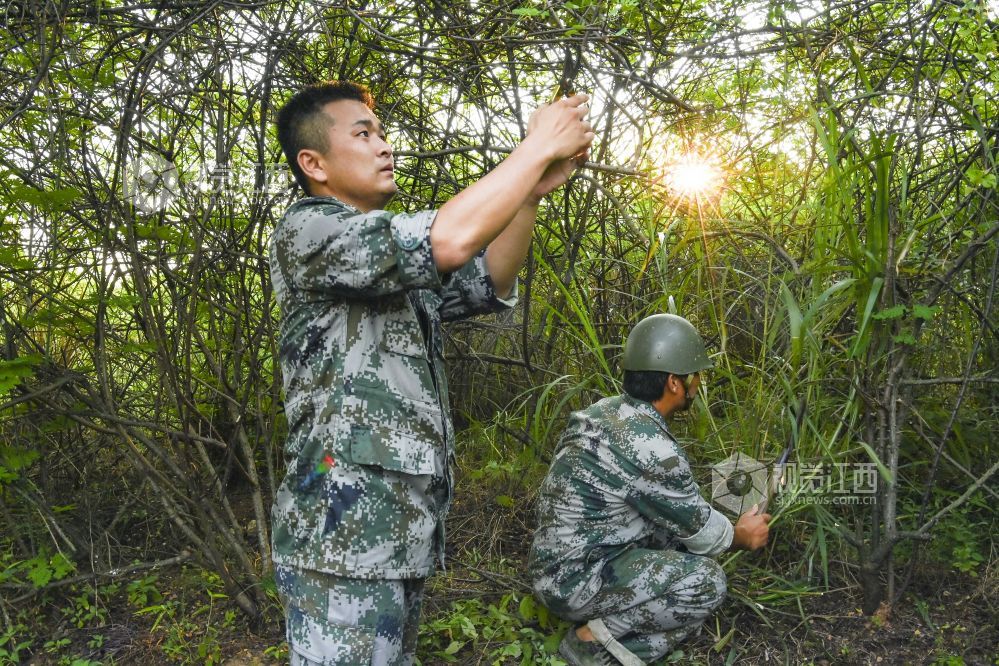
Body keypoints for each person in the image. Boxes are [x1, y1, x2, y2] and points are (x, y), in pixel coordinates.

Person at [268, 81, 594, 665]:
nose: (384, 145)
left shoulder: (388, 268)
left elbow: (488, 277)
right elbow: (449, 239)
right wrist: (534, 146)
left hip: (395, 536)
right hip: (337, 542)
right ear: (313, 163)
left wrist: (528, 196)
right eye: (363, 134)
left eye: (382, 131)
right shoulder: (309, 230)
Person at [528, 314, 771, 666]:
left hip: (554, 566)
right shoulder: (654, 450)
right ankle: (591, 642)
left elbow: (677, 514)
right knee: (706, 583)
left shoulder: (599, 412)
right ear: (674, 383)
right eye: (695, 375)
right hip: (575, 582)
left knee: (675, 542)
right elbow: (705, 537)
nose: (698, 383)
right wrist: (742, 536)